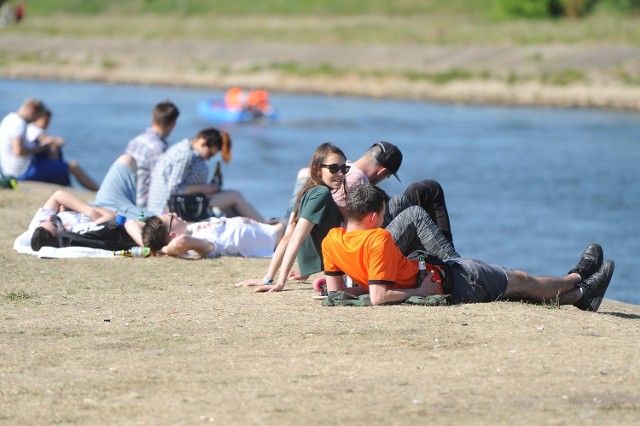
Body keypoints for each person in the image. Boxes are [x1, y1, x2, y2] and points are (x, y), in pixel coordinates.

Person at [322, 183, 615, 312]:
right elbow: (379, 296)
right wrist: (419, 292)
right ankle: (576, 280)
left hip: (441, 274)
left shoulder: (331, 240)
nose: (386, 219)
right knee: (520, 280)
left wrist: (358, 289)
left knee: (516, 290)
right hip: (451, 279)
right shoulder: (379, 239)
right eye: (384, 214)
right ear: (373, 216)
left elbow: (338, 293)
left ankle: (578, 293)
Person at [236, 142, 347, 293]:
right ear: (317, 170)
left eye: (344, 168)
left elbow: (287, 237)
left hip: (325, 271)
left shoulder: (306, 191)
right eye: (334, 168)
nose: (340, 173)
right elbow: (296, 238)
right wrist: (280, 283)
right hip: (333, 272)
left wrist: (268, 278)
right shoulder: (322, 194)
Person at [146, 127, 264, 222]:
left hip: (181, 202)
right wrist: (206, 188)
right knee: (234, 196)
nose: (208, 159)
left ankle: (255, 228)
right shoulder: (185, 155)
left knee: (230, 203)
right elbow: (175, 189)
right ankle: (264, 226)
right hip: (169, 207)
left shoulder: (187, 150)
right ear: (203, 143)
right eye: (209, 155)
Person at [0, 99, 98, 191]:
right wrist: (39, 149)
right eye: (37, 117)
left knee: (52, 153)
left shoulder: (9, 118)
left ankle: (62, 181)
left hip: (9, 170)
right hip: (22, 171)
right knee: (73, 166)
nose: (35, 120)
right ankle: (98, 192)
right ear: (32, 111)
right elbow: (18, 152)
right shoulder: (19, 124)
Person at [135, 213, 285, 258]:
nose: (174, 213)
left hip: (272, 223)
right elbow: (182, 241)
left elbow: (132, 223)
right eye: (171, 217)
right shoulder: (196, 245)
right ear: (172, 234)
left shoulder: (191, 229)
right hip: (282, 235)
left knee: (304, 173)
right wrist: (165, 249)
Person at [26, 107, 99, 191]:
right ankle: (97, 191)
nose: (47, 125)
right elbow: (48, 140)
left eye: (49, 122)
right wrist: (58, 141)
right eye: (45, 122)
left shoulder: (34, 129)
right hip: (33, 168)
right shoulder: (34, 130)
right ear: (37, 118)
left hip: (38, 165)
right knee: (74, 166)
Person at [124, 100, 180, 209]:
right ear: (173, 124)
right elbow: (162, 183)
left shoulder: (135, 141)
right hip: (144, 205)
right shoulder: (159, 148)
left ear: (152, 118)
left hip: (127, 198)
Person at [27, 189, 117, 251]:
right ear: (61, 234)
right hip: (110, 206)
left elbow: (58, 195)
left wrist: (83, 209)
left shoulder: (36, 228)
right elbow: (112, 216)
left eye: (44, 221)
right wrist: (88, 211)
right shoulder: (77, 230)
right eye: (54, 223)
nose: (50, 217)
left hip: (94, 204)